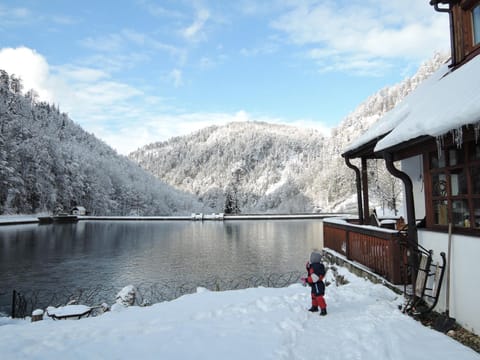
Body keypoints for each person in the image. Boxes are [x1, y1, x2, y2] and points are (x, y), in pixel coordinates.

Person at [302, 251, 327, 315]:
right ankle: (315, 307)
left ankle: (323, 309)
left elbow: (314, 278)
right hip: (315, 284)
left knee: (319, 297)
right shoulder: (314, 265)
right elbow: (310, 271)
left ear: (314, 259)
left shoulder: (316, 267)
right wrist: (308, 266)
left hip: (317, 285)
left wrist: (306, 280)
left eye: (311, 258)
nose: (310, 259)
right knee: (313, 295)